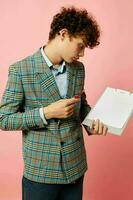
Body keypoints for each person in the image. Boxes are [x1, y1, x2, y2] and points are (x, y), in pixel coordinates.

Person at [0, 6, 108, 200]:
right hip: (40, 173)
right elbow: (4, 119)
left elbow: (81, 105)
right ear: (63, 34)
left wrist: (93, 122)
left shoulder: (78, 69)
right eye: (81, 45)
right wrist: (46, 113)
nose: (82, 54)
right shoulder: (21, 70)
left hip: (76, 167)